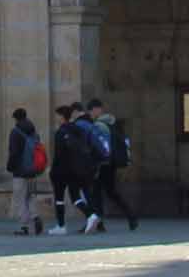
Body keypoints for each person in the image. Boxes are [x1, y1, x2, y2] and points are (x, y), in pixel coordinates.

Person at [85, 99, 138, 231]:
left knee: (96, 192)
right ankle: (130, 215)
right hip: (111, 163)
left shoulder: (99, 125)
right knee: (110, 192)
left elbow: (100, 145)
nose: (91, 115)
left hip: (103, 163)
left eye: (91, 111)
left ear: (95, 110)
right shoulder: (112, 123)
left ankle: (99, 222)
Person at [47, 103, 98, 235]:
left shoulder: (60, 132)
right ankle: (91, 215)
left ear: (62, 117)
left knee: (59, 199)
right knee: (75, 197)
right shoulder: (77, 129)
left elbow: (58, 155)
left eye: (58, 116)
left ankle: (61, 226)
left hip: (61, 171)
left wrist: (53, 171)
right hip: (76, 169)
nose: (56, 118)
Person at [5, 108, 46, 235]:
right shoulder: (33, 131)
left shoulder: (15, 132)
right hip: (32, 171)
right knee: (31, 197)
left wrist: (10, 167)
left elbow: (14, 153)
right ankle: (36, 217)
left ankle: (25, 226)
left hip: (20, 172)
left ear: (16, 118)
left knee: (20, 199)